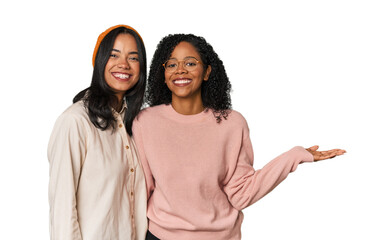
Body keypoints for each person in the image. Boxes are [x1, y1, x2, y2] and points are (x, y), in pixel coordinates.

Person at [132, 34, 346, 240]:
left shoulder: (232, 123)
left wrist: (292, 157)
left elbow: (241, 193)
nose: (180, 70)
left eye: (190, 63)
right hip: (160, 236)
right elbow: (141, 191)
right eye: (171, 64)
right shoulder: (146, 122)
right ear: (163, 73)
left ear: (206, 72)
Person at [48, 25, 147, 240]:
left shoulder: (137, 125)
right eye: (114, 55)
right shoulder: (75, 122)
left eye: (133, 57)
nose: (124, 64)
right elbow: (62, 209)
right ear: (99, 61)